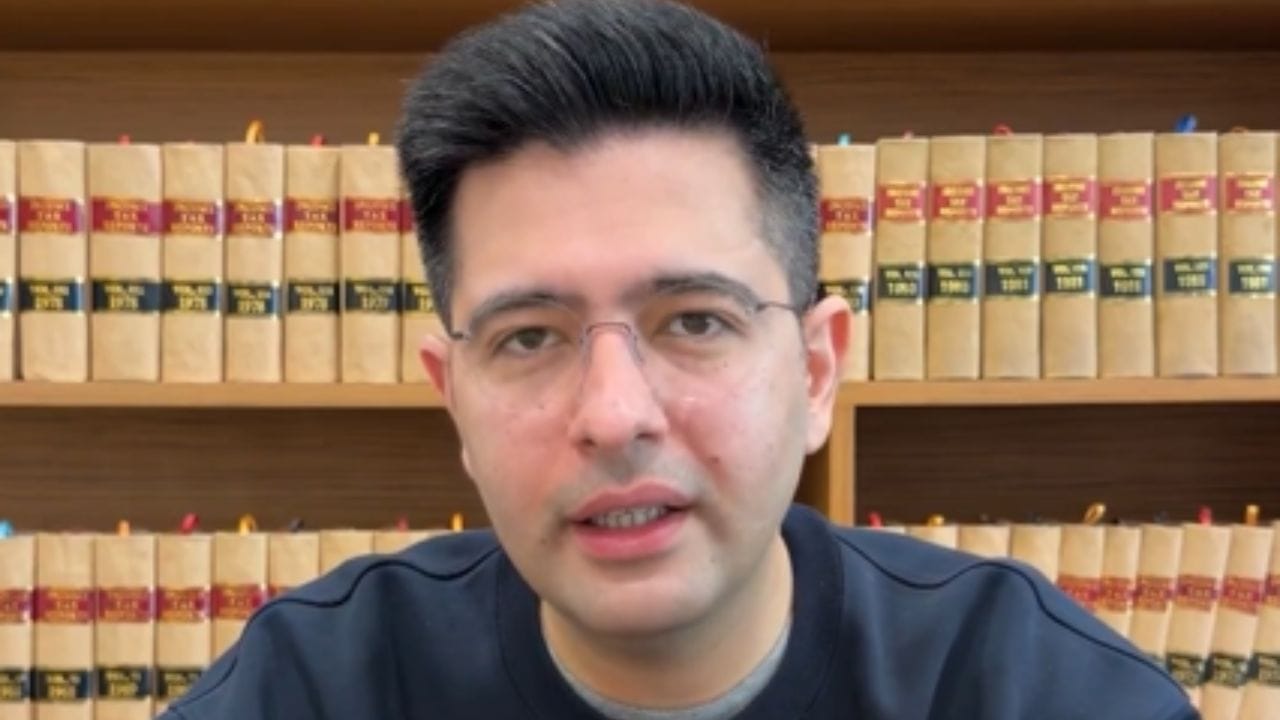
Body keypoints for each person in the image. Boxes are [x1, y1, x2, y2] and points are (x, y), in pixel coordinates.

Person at [159, 1, 1198, 718]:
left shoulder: (1030, 689)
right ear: (454, 401)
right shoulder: (313, 687)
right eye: (530, 338)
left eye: (694, 321)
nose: (615, 416)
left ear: (815, 372)